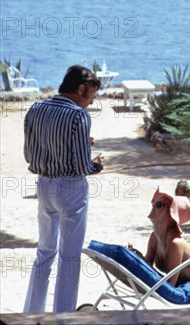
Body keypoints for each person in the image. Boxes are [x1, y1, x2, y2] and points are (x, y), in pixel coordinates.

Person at [23, 65, 105, 313]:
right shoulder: (78, 116)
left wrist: (80, 143)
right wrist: (97, 165)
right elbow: (81, 166)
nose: (91, 102)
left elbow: (30, 154)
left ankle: (32, 312)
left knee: (44, 253)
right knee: (69, 258)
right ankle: (64, 315)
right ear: (81, 89)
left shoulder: (36, 108)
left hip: (44, 184)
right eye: (91, 95)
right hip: (71, 189)